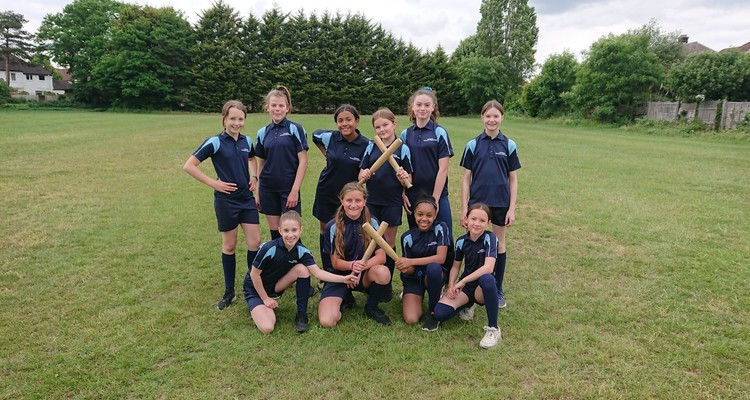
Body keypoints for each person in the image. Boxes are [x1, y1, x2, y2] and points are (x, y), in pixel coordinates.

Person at [183, 100, 261, 310]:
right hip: (226, 201)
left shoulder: (247, 140)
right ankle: (229, 292)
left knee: (255, 242)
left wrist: (254, 176)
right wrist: (213, 183)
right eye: (232, 118)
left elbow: (252, 159)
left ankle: (253, 286)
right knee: (230, 245)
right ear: (224, 119)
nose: (237, 123)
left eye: (240, 119)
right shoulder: (215, 142)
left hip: (246, 199)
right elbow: (189, 166)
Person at [242, 211, 357, 333]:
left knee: (302, 269)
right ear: (280, 231)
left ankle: (301, 315)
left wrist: (344, 279)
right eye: (286, 231)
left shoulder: (302, 251)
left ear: (300, 230)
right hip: (255, 289)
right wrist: (265, 298)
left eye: (294, 230)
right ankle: (259, 305)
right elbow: (254, 274)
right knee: (267, 327)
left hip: (275, 286)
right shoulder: (269, 249)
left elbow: (318, 273)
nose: (290, 235)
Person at [460, 100, 520, 310]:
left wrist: (512, 208)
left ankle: (497, 288)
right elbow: (466, 178)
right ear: (482, 118)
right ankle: (472, 287)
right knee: (475, 244)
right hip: (478, 205)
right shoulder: (473, 144)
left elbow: (513, 179)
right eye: (488, 116)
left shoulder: (509, 144)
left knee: (498, 244)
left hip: (501, 203)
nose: (492, 120)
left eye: (496, 116)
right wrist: (464, 209)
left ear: (502, 118)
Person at [312, 105, 370, 302]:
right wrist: (327, 154)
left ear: (356, 121)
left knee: (345, 232)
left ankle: (348, 276)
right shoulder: (330, 137)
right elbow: (314, 135)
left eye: (348, 120)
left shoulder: (366, 144)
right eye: (340, 120)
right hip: (326, 192)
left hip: (349, 199)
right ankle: (329, 276)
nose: (344, 124)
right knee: (325, 232)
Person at [318, 182, 393, 327]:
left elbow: (381, 257)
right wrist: (352, 266)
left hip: (363, 275)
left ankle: (371, 307)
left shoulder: (373, 223)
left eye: (358, 200)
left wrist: (360, 268)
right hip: (339, 276)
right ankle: (343, 296)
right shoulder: (332, 226)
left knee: (383, 272)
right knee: (327, 321)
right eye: (349, 200)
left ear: (365, 201)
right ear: (341, 200)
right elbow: (335, 263)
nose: (353, 205)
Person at [358, 107, 413, 301]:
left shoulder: (403, 148)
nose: (382, 129)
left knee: (388, 243)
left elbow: (409, 178)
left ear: (394, 124)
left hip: (392, 202)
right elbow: (361, 172)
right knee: (371, 242)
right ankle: (371, 281)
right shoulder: (371, 146)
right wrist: (363, 175)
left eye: (385, 125)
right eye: (378, 127)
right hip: (372, 201)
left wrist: (403, 177)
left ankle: (386, 285)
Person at [433, 204, 502, 349]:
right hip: (466, 287)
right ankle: (468, 305)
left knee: (487, 279)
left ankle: (493, 329)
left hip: (482, 288)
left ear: (488, 223)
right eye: (473, 219)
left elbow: (488, 267)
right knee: (439, 313)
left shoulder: (490, 238)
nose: (477, 224)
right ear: (467, 219)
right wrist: (451, 285)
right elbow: (456, 266)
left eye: (482, 221)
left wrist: (462, 281)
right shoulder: (461, 241)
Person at [400, 87, 455, 269]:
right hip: (413, 196)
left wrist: (435, 200)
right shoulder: (405, 135)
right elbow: (401, 168)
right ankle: (416, 281)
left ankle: (447, 282)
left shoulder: (439, 132)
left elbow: (443, 168)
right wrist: (403, 192)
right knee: (418, 237)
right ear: (412, 108)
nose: (422, 108)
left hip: (437, 195)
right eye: (419, 105)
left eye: (427, 105)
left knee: (444, 237)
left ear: (433, 108)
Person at [255, 86, 308, 241]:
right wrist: (258, 191)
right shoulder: (262, 132)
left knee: (291, 233)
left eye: (281, 106)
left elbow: (303, 161)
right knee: (276, 234)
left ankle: (296, 264)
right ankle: (279, 264)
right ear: (267, 108)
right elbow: (261, 163)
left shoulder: (295, 129)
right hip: (268, 189)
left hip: (288, 189)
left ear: (287, 108)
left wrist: (294, 191)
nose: (277, 109)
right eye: (273, 105)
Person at [395, 196, 448, 331]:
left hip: (434, 275)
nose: (424, 219)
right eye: (420, 214)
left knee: (434, 268)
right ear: (414, 214)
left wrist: (411, 261)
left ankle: (433, 311)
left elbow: (441, 258)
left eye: (429, 215)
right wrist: (405, 268)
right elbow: (411, 270)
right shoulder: (407, 237)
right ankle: (416, 296)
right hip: (415, 278)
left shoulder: (441, 228)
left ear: (435, 215)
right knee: (411, 319)